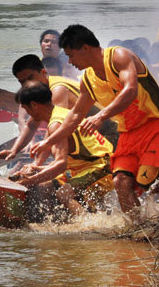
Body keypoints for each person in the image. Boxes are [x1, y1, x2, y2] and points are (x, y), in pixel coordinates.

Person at [30, 25, 159, 217]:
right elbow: (75, 115)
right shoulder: (88, 79)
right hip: (127, 132)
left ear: (86, 48)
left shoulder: (119, 56)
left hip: (157, 124)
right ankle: (140, 230)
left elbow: (130, 90)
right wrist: (48, 142)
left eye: (71, 55)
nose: (69, 61)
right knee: (121, 182)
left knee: (147, 182)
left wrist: (100, 116)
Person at [12, 82, 113, 220]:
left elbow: (60, 164)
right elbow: (69, 162)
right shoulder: (60, 113)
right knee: (45, 186)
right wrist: (37, 168)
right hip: (86, 166)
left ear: (34, 105)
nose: (28, 115)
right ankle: (55, 222)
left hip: (104, 166)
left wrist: (27, 182)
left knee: (64, 194)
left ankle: (88, 226)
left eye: (26, 109)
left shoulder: (56, 124)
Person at [0, 54, 82, 162]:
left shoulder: (57, 90)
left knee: (55, 147)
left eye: (31, 78)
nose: (28, 84)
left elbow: (55, 127)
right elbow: (32, 124)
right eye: (22, 82)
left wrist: (36, 164)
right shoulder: (42, 90)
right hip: (84, 129)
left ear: (43, 73)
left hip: (101, 128)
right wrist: (14, 151)